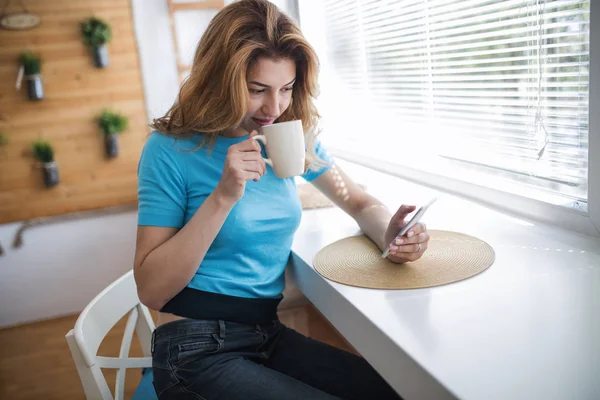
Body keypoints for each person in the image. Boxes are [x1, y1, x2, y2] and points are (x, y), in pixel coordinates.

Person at [134, 1, 430, 399]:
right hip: (195, 348)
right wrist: (223, 197)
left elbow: (357, 201)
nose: (274, 108)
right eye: (257, 90)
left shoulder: (288, 135)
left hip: (266, 334)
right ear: (220, 81)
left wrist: (391, 234)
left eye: (286, 89)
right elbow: (151, 290)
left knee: (395, 391)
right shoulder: (169, 149)